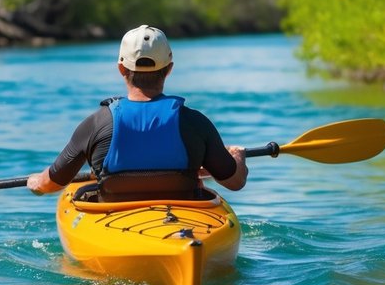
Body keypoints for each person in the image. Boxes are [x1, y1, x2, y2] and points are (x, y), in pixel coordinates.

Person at [27, 25, 248, 202]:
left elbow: (51, 183)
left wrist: (35, 182)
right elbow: (234, 182)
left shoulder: (96, 124)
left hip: (112, 221)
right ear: (169, 69)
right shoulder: (195, 123)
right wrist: (238, 159)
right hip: (182, 224)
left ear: (121, 69)